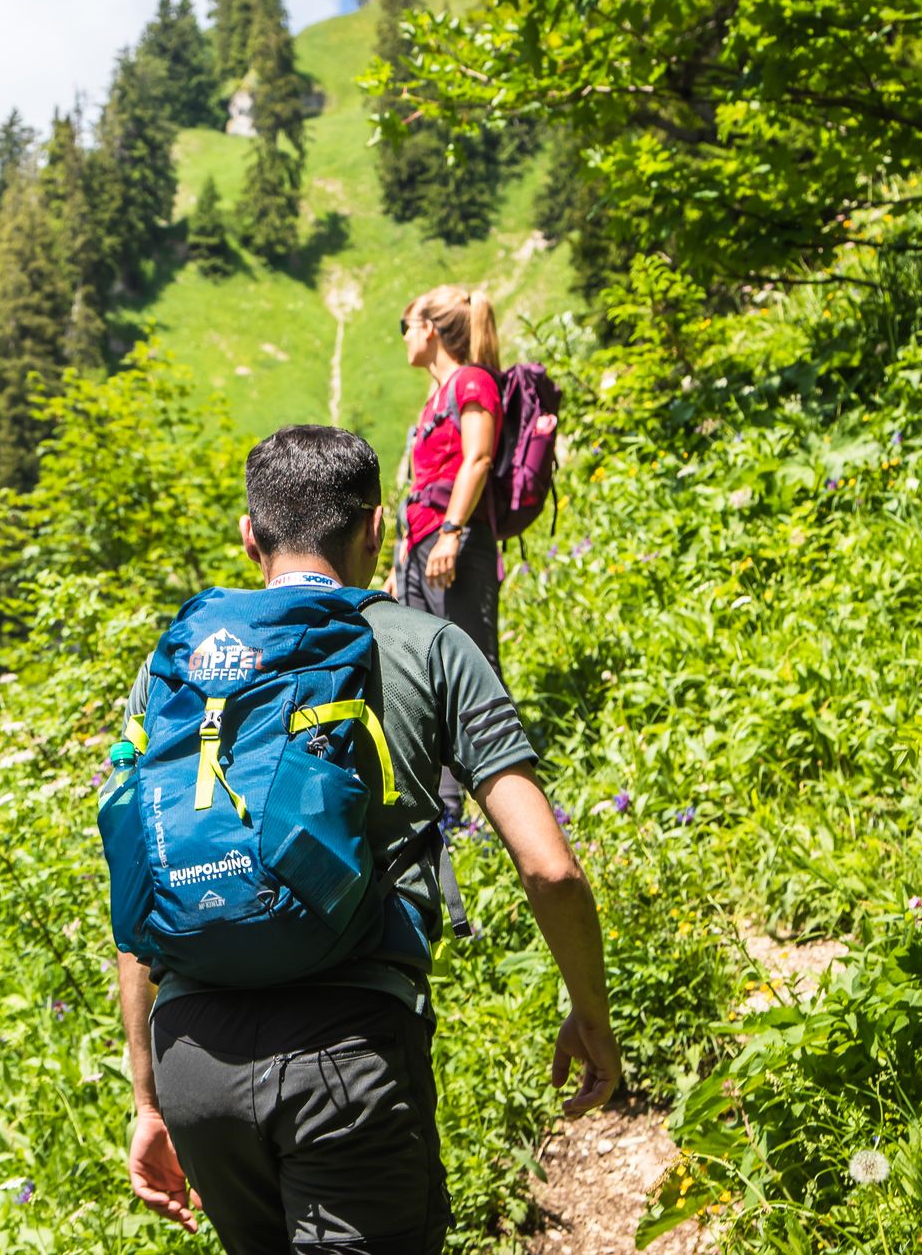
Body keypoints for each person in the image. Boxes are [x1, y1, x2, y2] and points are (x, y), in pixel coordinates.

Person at [115, 425, 619, 1255]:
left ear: (250, 535)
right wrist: (589, 1010)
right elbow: (550, 867)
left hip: (194, 1056)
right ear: (377, 528)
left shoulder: (178, 664)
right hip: (345, 1053)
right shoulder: (429, 645)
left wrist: (150, 1099)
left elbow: (141, 884)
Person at [397, 286, 504, 677]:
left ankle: (498, 741)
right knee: (427, 670)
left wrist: (451, 531)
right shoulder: (437, 398)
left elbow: (478, 458)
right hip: (425, 545)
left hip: (454, 544)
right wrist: (402, 561)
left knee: (471, 669)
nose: (404, 337)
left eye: (405, 326)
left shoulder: (473, 382)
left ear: (429, 329)